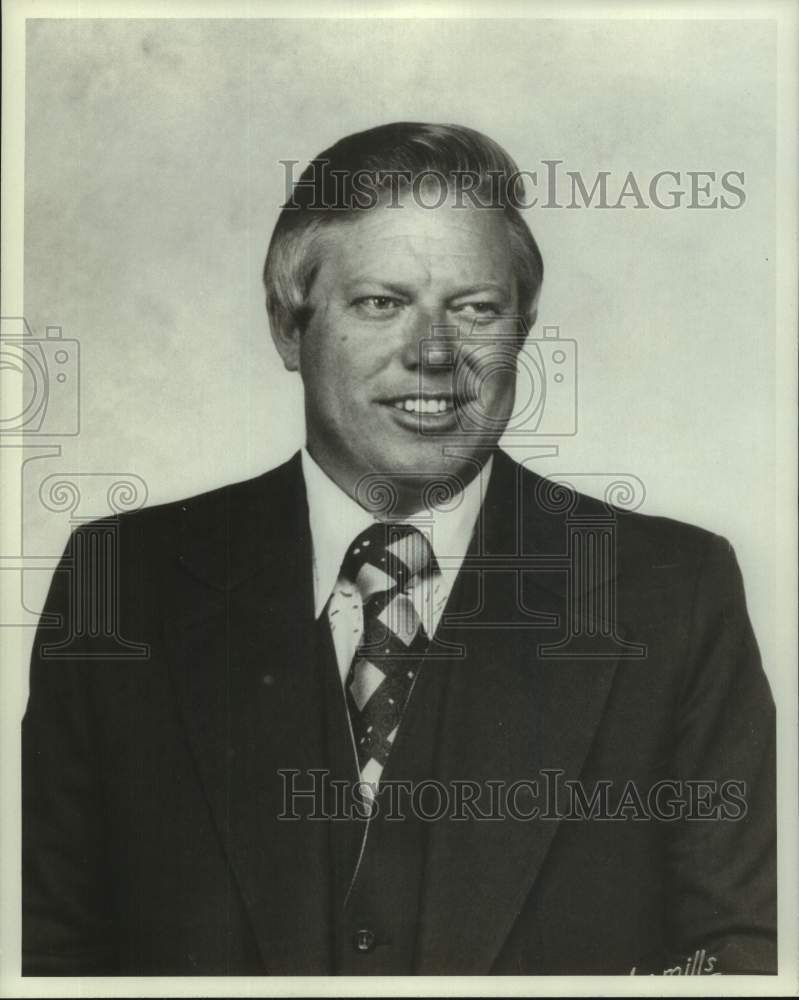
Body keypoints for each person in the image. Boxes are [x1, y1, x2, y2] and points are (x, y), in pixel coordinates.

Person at [22, 122, 776, 976]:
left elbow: (747, 952)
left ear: (522, 330)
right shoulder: (119, 582)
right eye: (380, 303)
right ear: (285, 326)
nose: (433, 354)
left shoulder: (670, 590)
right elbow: (42, 951)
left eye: (475, 308)